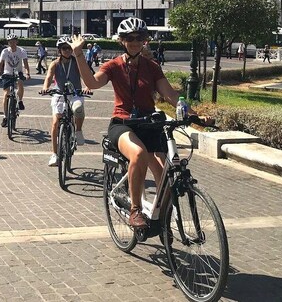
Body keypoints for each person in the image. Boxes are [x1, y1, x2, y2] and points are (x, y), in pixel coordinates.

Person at [71, 17, 195, 231]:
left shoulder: (152, 67)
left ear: (145, 41)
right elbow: (91, 83)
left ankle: (161, 213)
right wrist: (79, 54)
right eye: (129, 38)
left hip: (148, 122)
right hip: (123, 123)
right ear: (122, 41)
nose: (135, 42)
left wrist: (195, 115)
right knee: (138, 154)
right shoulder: (113, 66)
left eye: (139, 38)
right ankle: (135, 210)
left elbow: (170, 95)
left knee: (164, 168)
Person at [42, 36, 87, 166]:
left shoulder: (77, 62)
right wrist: (45, 88)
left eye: (69, 48)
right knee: (56, 122)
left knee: (78, 109)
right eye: (64, 48)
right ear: (59, 50)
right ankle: (54, 154)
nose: (67, 51)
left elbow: (85, 75)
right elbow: (49, 77)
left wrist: (87, 87)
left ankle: (78, 130)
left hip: (75, 93)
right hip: (59, 94)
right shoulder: (55, 63)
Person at [0, 34, 31, 127]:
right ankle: (5, 116)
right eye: (10, 42)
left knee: (20, 83)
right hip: (7, 73)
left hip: (18, 72)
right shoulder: (5, 51)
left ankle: (20, 101)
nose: (12, 43)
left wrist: (27, 73)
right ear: (8, 43)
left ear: (17, 42)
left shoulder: (21, 51)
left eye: (14, 41)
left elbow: (26, 63)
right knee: (6, 94)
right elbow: (0, 63)